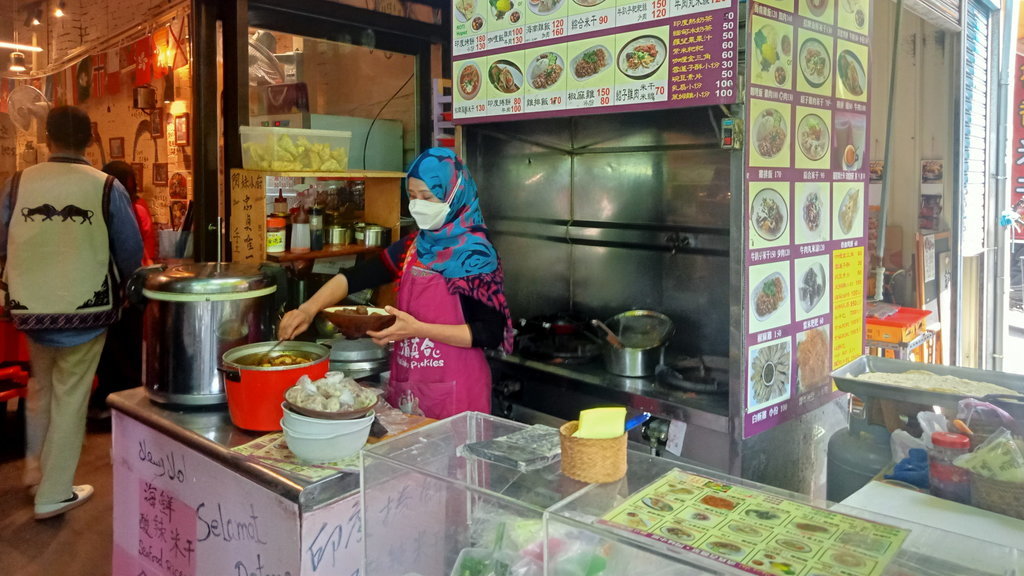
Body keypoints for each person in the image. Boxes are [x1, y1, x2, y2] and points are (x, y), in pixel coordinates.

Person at [278, 148, 513, 419]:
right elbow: (356, 278)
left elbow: (489, 332)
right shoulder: (414, 246)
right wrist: (308, 309)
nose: (417, 205)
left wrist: (417, 329)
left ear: (455, 194)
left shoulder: (475, 254)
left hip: (458, 394)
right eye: (412, 196)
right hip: (410, 385)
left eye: (427, 197)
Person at [0, 106, 143, 520]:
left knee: (41, 388)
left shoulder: (17, 184)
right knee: (71, 397)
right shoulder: (106, 186)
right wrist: (132, 288)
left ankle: (33, 471)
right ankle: (54, 491)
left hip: (30, 308)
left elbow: (2, 241)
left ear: (47, 138)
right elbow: (130, 251)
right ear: (90, 139)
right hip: (87, 310)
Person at [88, 161, 154, 419]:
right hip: (129, 285)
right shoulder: (135, 208)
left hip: (106, 288)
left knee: (112, 349)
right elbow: (134, 248)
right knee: (129, 346)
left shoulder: (100, 204)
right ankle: (127, 402)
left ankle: (109, 400)